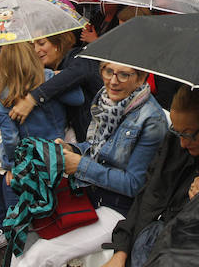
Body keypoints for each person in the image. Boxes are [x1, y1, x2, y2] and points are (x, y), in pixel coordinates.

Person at [13, 63, 168, 266]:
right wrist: (72, 149)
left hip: (120, 211)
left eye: (123, 74)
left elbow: (133, 185)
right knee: (25, 233)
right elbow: (100, 148)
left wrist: (80, 166)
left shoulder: (152, 120)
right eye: (108, 71)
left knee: (40, 255)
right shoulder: (107, 99)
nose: (113, 80)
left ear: (141, 78)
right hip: (90, 194)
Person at [102, 87, 199, 267]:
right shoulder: (173, 142)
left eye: (189, 134)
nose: (182, 143)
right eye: (177, 131)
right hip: (141, 245)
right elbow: (145, 195)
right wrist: (121, 251)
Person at [0, 42, 84, 258]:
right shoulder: (50, 78)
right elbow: (78, 98)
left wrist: (10, 165)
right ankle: (7, 228)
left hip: (30, 156)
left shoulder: (2, 95)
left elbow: (11, 139)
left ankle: (7, 230)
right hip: (57, 149)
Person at [9, 32, 104, 142]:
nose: (36, 50)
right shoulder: (47, 72)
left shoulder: (79, 56)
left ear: (57, 43)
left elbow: (79, 71)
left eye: (41, 43)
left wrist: (33, 98)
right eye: (32, 46)